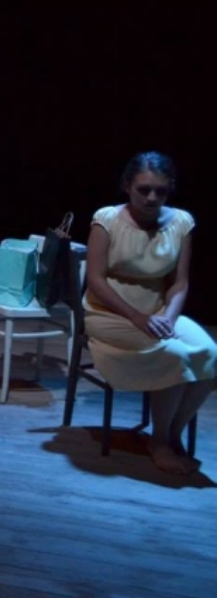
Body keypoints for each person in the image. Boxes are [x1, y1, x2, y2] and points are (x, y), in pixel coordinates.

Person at [84, 151, 217, 475]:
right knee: (175, 355)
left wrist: (169, 317)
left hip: (157, 312)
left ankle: (170, 433)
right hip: (109, 314)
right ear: (127, 186)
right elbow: (95, 280)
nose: (152, 198)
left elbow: (180, 283)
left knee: (211, 354)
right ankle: (160, 441)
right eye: (144, 190)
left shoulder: (181, 222)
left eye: (160, 190)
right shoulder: (107, 219)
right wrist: (135, 316)